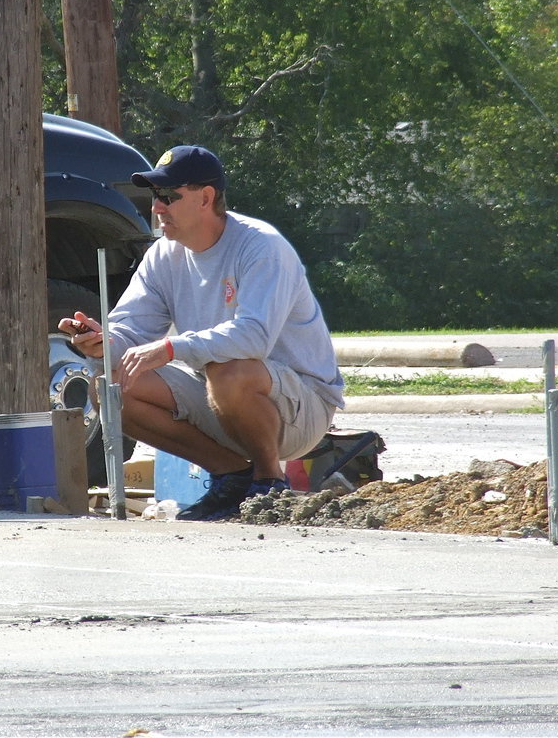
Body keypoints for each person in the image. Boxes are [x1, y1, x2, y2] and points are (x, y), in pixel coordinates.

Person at [58, 145, 344, 520]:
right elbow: (131, 330)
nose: (157, 207)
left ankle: (269, 482)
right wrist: (102, 343)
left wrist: (171, 348)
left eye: (169, 197)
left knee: (228, 368)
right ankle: (232, 477)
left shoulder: (262, 247)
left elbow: (254, 337)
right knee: (111, 385)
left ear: (206, 198)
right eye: (155, 196)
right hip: (220, 396)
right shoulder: (163, 255)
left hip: (301, 409)